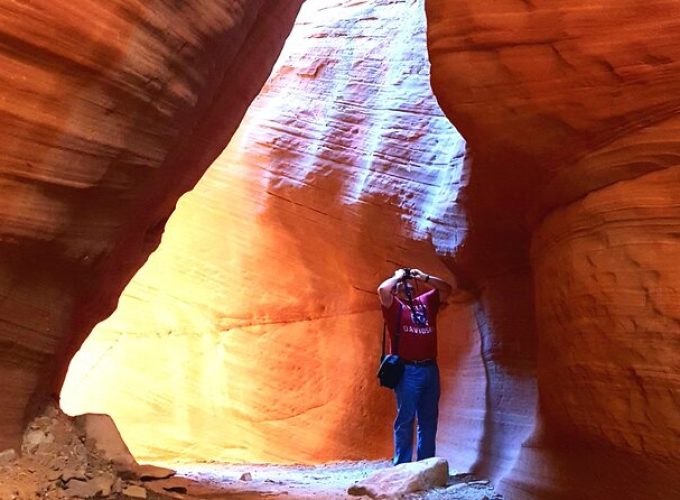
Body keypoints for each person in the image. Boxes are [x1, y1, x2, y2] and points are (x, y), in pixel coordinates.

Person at [377, 267, 454, 465]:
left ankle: (425, 465)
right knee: (406, 419)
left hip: (430, 368)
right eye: (403, 287)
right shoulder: (394, 307)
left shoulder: (426, 302)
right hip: (407, 370)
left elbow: (447, 289)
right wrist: (397, 276)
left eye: (411, 286)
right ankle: (402, 466)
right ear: (397, 291)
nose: (408, 288)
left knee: (428, 419)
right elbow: (383, 291)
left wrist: (425, 277)